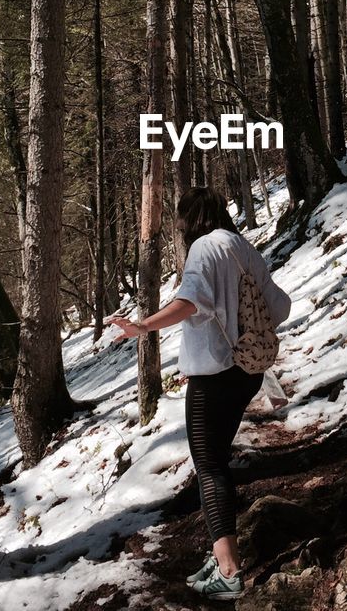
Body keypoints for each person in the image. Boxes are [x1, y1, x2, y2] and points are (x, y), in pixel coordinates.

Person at [109, 187, 291, 601]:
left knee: (209, 468)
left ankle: (228, 572)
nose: (177, 227)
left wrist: (142, 327)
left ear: (189, 218)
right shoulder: (243, 246)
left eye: (178, 219)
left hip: (214, 375)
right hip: (248, 371)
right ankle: (220, 553)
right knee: (217, 462)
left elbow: (189, 302)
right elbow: (279, 306)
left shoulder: (204, 249)